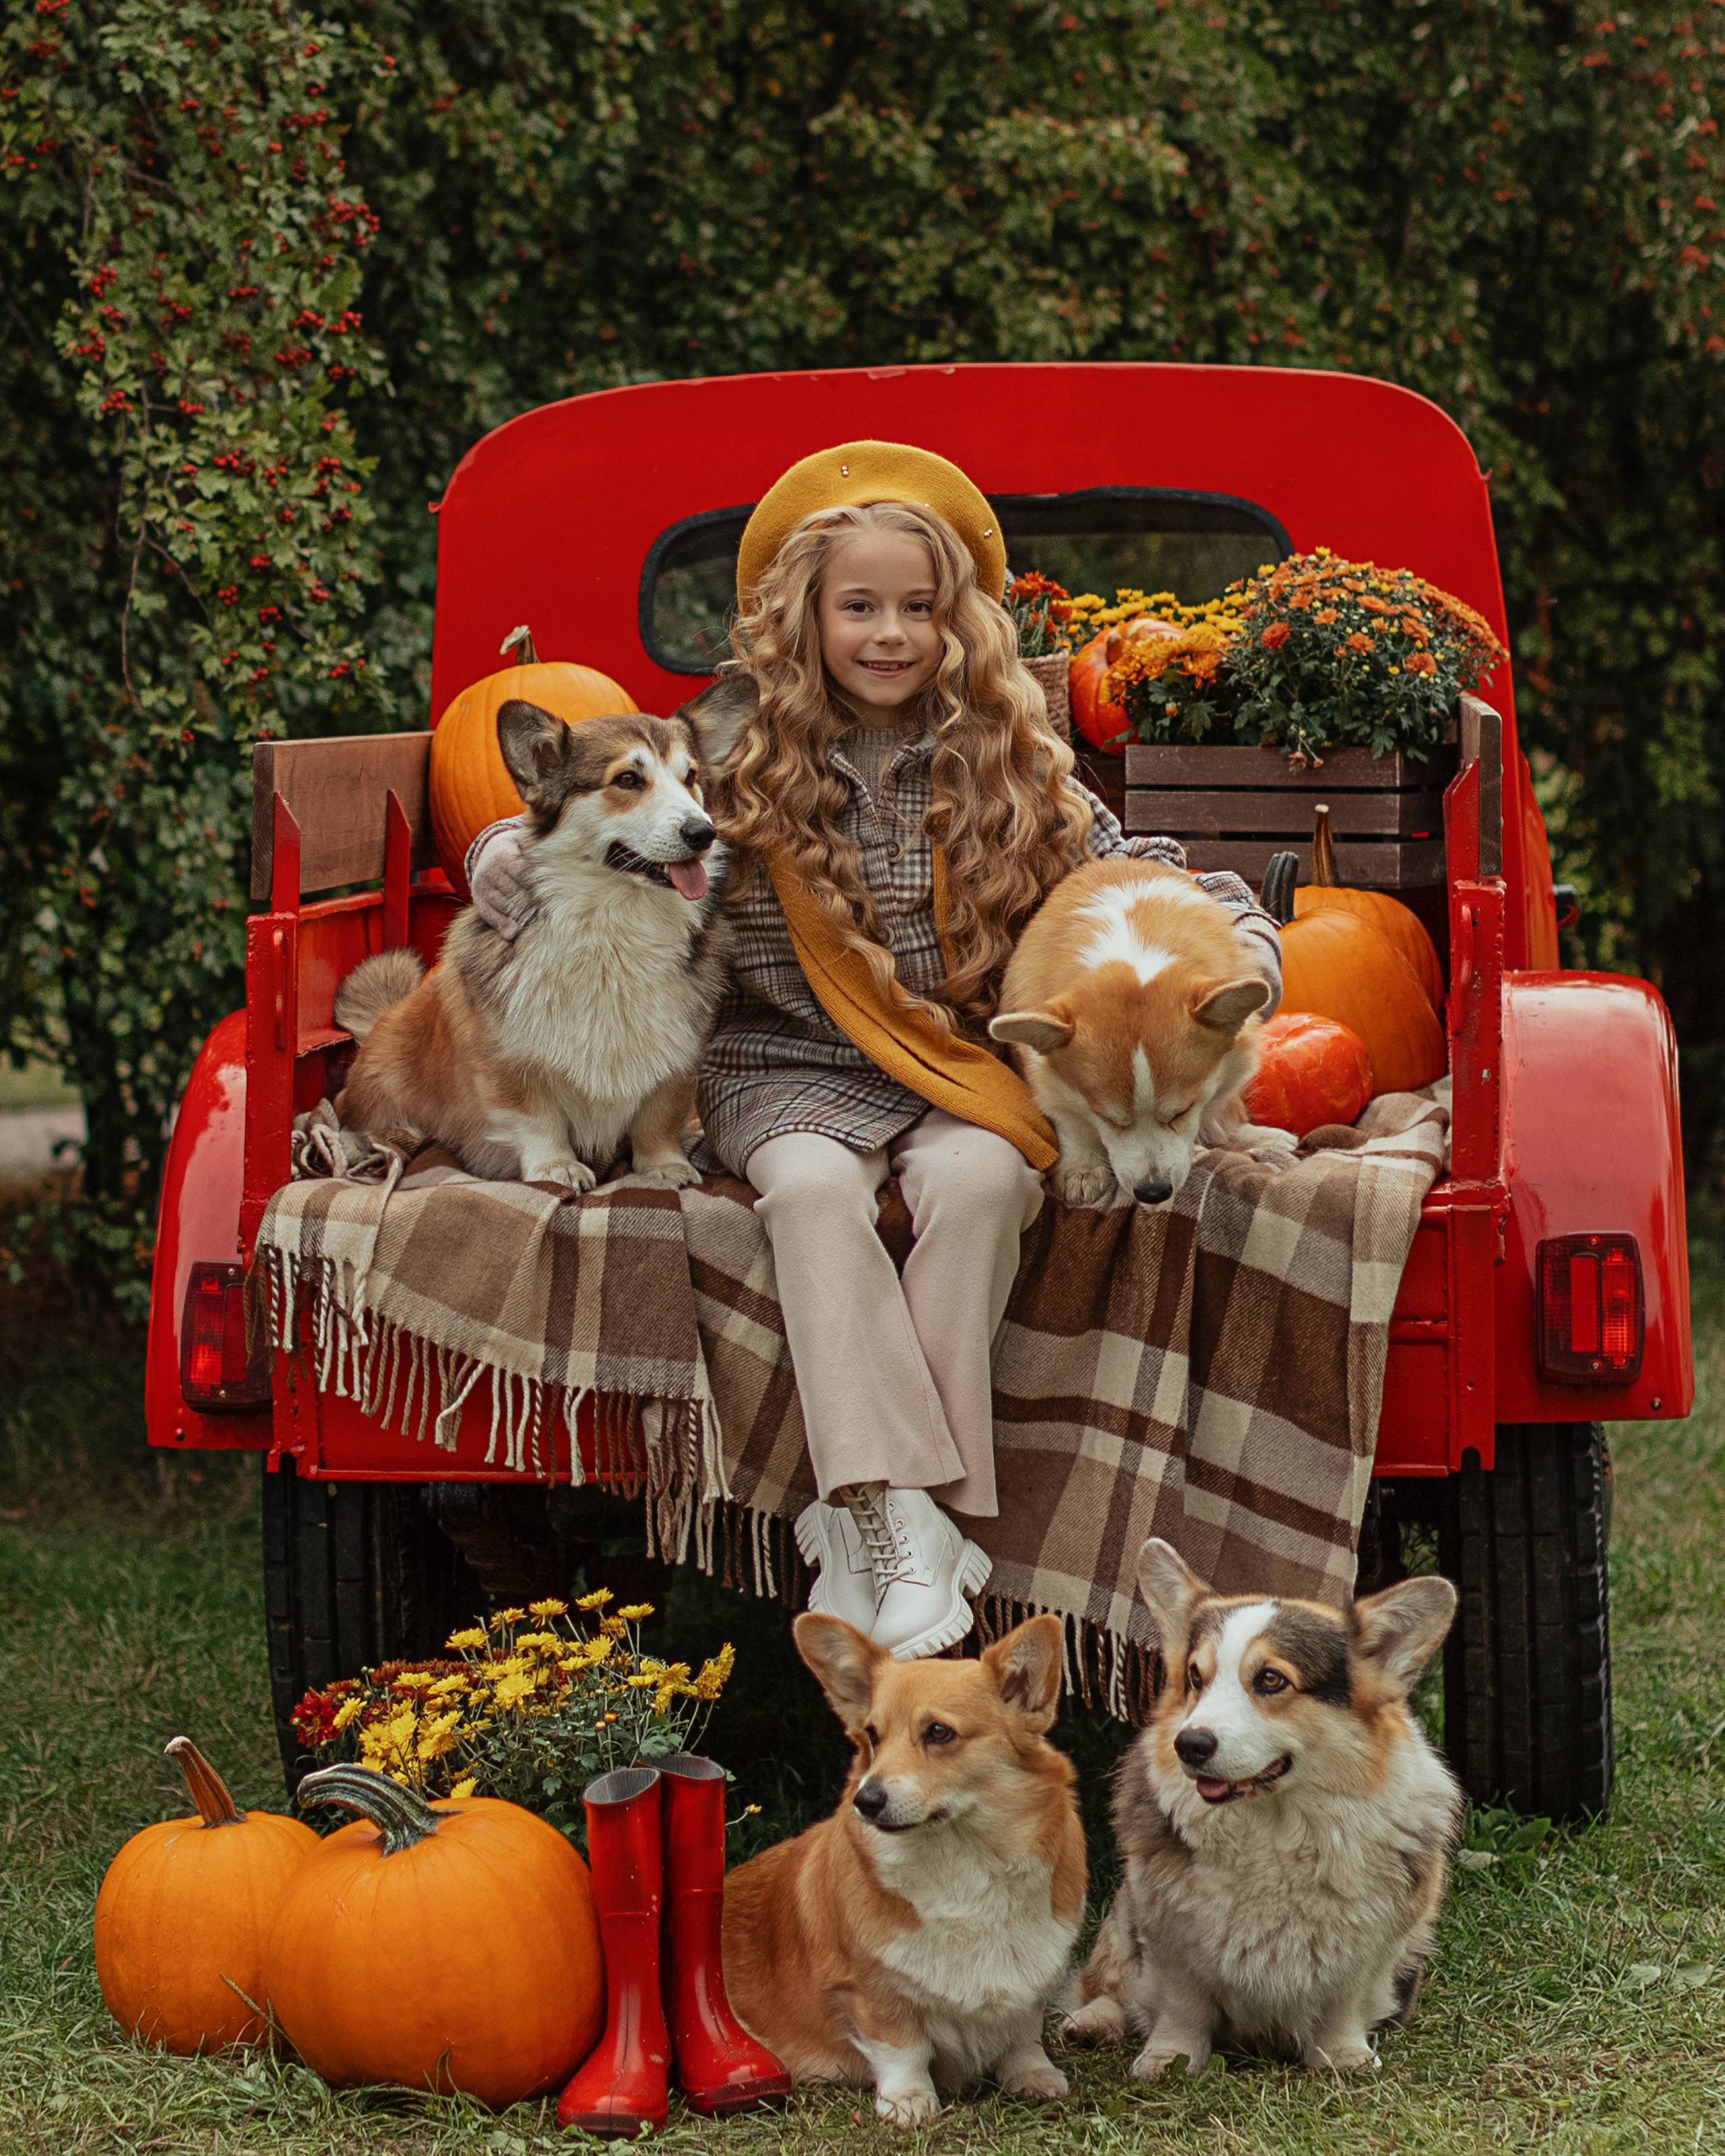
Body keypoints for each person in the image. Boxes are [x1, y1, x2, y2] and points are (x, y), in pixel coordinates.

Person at [468, 441, 1282, 1660]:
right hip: (780, 1066)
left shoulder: (1009, 759)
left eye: (918, 606)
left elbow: (1136, 872)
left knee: (987, 1180)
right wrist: (499, 857)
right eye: (860, 607)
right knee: (805, 1193)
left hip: (958, 1062)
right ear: (808, 617)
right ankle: (900, 1520)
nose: (890, 633)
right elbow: (579, 818)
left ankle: (891, 1532)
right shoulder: (740, 760)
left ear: (957, 622)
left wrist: (1250, 946)